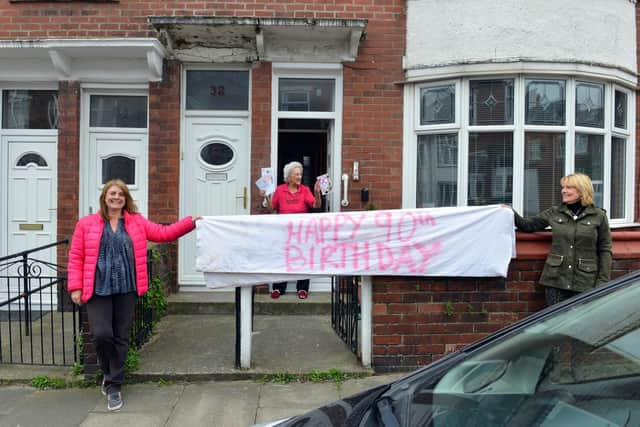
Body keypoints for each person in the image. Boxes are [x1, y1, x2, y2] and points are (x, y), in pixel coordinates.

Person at [67, 179, 201, 411]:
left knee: (120, 336)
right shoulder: (86, 224)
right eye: (112, 193)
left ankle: (114, 385)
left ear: (126, 198)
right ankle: (108, 372)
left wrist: (191, 223)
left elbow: (164, 233)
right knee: (101, 335)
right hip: (98, 288)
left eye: (120, 194)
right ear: (105, 197)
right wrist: (75, 287)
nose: (116, 197)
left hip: (126, 288)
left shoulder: (136, 222)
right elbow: (76, 256)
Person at [511, 173, 612, 306]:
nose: (563, 190)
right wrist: (509, 211)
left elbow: (605, 249)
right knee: (557, 322)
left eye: (569, 187)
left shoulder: (598, 216)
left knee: (582, 322)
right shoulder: (555, 212)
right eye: (563, 187)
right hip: (556, 280)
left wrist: (603, 282)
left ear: (582, 190)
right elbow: (528, 225)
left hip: (586, 281)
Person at [262, 161, 322, 299]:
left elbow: (316, 205)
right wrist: (266, 196)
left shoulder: (305, 190)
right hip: (283, 232)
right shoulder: (279, 190)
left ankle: (302, 288)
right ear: (288, 177)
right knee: (282, 258)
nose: (299, 176)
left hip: (302, 232)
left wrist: (317, 193)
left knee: (303, 259)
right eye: (296, 174)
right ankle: (279, 288)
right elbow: (271, 209)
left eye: (300, 174)